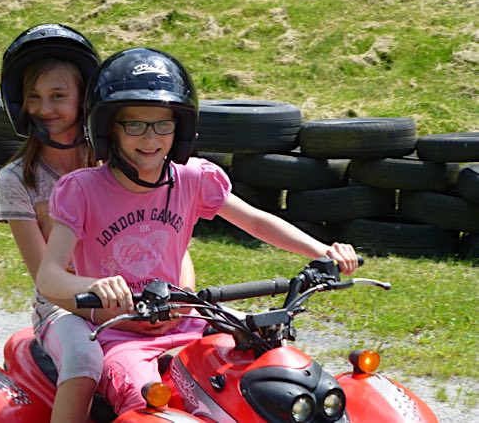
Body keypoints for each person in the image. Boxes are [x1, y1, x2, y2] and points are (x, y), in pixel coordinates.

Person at [36, 47, 360, 415]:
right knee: (147, 402)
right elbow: (49, 276)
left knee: (264, 364)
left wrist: (322, 250)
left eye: (163, 124)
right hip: (119, 333)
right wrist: (91, 286)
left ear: (181, 128)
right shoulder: (83, 190)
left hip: (187, 320)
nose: (150, 137)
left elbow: (255, 220)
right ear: (109, 128)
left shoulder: (193, 178)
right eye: (134, 125)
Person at [0, 24, 198, 423]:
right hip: (67, 305)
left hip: (142, 295)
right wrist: (106, 303)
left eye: (58, 96)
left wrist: (181, 294)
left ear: (84, 101)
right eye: (34, 97)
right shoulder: (17, 179)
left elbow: (168, 239)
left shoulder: (121, 154)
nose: (45, 108)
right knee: (84, 360)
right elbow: (45, 278)